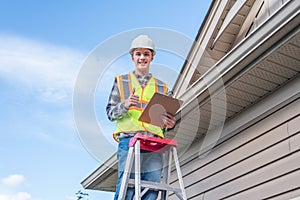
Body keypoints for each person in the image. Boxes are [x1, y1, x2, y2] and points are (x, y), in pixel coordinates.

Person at [106, 34, 176, 200]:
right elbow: (110, 113)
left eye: (146, 54)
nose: (142, 58)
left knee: (152, 188)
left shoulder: (163, 87)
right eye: (138, 54)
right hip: (129, 141)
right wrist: (125, 104)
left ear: (152, 57)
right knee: (127, 187)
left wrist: (170, 123)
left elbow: (168, 116)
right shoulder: (121, 81)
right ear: (132, 57)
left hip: (154, 142)